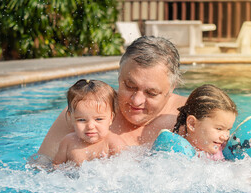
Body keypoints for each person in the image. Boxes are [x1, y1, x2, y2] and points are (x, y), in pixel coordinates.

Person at [38, 36, 187, 160]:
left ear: (172, 87)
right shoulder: (84, 111)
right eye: (129, 86)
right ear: (119, 75)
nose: (136, 101)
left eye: (151, 93)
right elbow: (40, 167)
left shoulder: (191, 116)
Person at [153, 84, 237, 161]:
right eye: (219, 128)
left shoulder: (225, 150)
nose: (225, 137)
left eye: (228, 129)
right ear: (192, 124)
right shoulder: (174, 151)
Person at [53, 79, 125, 166]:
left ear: (111, 118)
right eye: (81, 120)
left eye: (98, 119)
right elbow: (56, 165)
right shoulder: (68, 142)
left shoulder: (113, 142)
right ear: (71, 118)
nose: (90, 126)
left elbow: (128, 168)